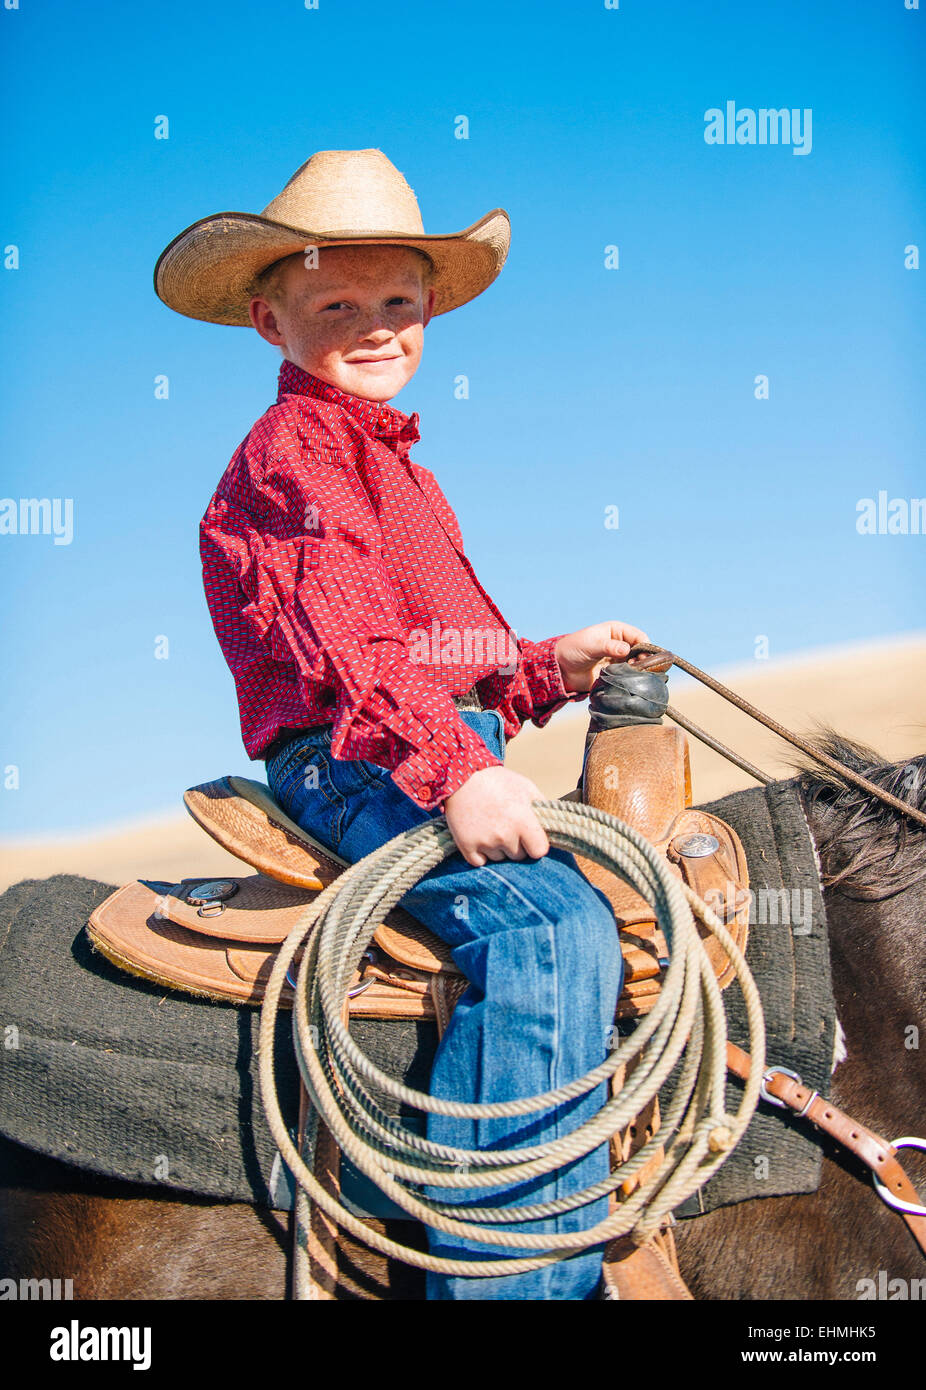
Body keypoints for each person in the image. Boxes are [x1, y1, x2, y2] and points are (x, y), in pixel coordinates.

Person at [154, 148, 649, 1299]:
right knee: (541, 930)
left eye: (396, 302)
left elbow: (444, 654)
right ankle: (505, 1284)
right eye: (337, 305)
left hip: (423, 734)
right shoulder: (291, 456)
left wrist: (547, 663)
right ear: (268, 320)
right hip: (349, 758)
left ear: (428, 309)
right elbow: (357, 656)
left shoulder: (399, 467)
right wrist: (454, 771)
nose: (374, 326)